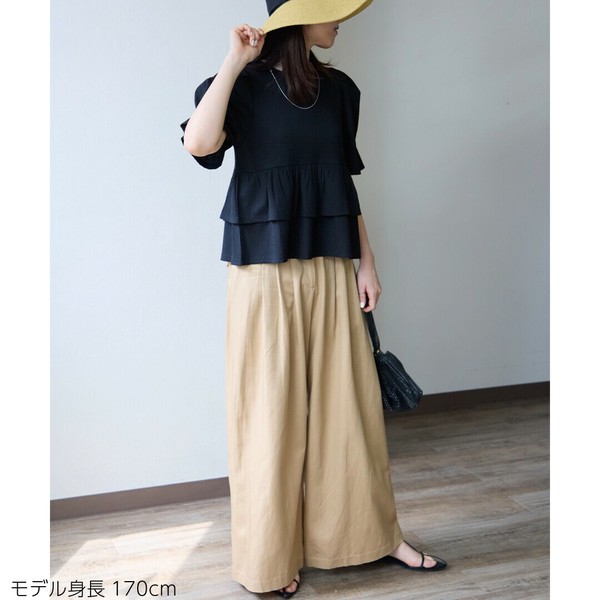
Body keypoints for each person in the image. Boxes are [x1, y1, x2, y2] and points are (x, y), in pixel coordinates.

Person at [181, 1, 447, 597]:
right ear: (299, 16)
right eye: (330, 8)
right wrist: (233, 61)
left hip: (331, 266)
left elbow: (342, 184)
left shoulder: (341, 91)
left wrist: (367, 262)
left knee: (348, 412)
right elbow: (199, 144)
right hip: (263, 273)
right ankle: (269, 561)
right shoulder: (241, 85)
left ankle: (371, 537)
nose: (340, 20)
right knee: (268, 418)